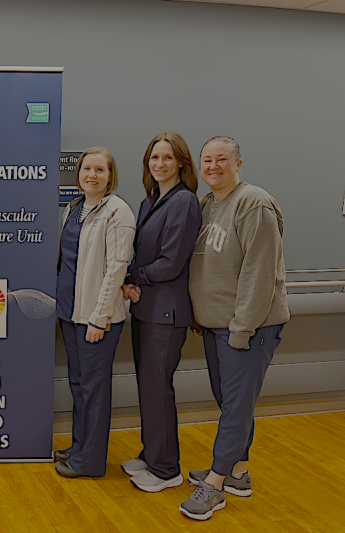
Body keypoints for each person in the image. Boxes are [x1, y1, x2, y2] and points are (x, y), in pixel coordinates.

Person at [179, 136, 290, 521]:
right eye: (207, 160)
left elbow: (260, 273)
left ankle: (215, 484)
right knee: (231, 403)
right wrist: (200, 316)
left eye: (222, 159)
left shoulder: (253, 203)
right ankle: (238, 473)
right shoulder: (206, 205)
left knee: (236, 408)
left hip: (247, 328)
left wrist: (242, 328)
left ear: (238, 163)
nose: (213, 166)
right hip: (215, 326)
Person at [121, 132, 202, 493]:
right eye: (154, 158)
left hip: (166, 314)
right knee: (148, 387)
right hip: (145, 309)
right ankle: (151, 454)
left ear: (182, 163)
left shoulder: (184, 201)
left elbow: (170, 264)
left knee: (158, 388)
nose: (160, 164)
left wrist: (132, 277)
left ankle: (166, 469)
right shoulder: (150, 201)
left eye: (168, 157)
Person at [53, 147, 136, 478]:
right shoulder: (74, 208)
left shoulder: (118, 211)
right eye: (87, 168)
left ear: (110, 175)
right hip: (69, 313)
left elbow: (117, 268)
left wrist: (99, 318)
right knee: (78, 385)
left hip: (95, 319)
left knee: (94, 390)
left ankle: (90, 461)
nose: (92, 175)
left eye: (100, 169)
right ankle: (79, 447)